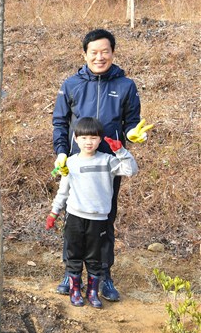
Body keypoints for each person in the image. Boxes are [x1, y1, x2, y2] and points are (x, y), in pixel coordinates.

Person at [52, 29, 153, 301]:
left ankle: (104, 275)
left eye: (104, 52)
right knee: (73, 219)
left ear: (113, 53)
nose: (99, 57)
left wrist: (132, 133)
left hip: (108, 166)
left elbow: (132, 120)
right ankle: (71, 272)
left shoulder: (125, 86)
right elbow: (60, 123)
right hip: (76, 165)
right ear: (84, 54)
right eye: (93, 52)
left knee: (104, 219)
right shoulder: (72, 84)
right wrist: (61, 152)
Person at [46, 117, 138, 308]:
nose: (89, 142)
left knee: (95, 257)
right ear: (76, 139)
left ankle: (93, 291)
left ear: (100, 140)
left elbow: (131, 170)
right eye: (84, 138)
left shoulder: (107, 161)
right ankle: (74, 290)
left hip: (98, 218)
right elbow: (63, 191)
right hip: (75, 217)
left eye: (94, 138)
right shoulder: (70, 163)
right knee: (74, 255)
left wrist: (120, 150)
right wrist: (54, 213)